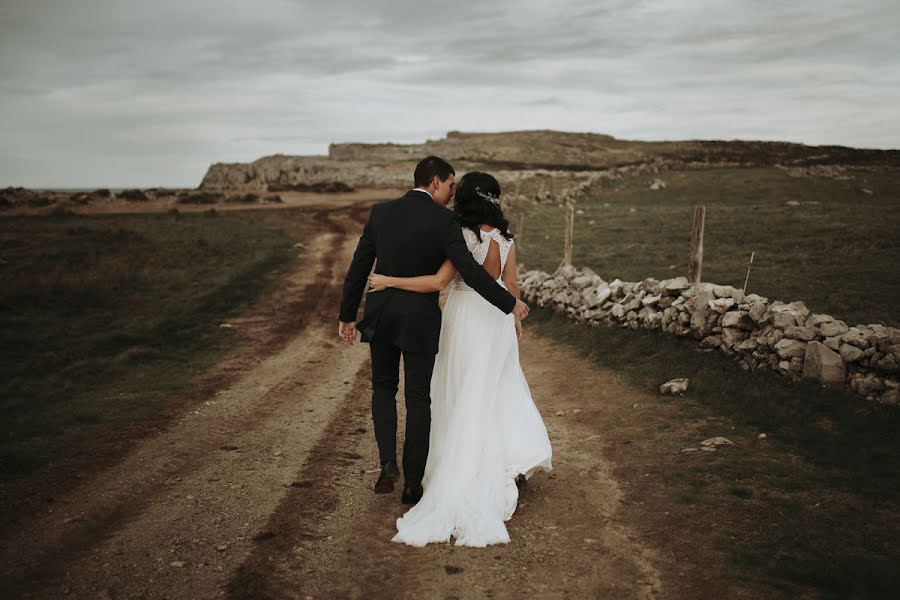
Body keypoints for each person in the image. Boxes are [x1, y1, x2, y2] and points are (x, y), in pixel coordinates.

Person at [367, 171, 553, 547]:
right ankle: (507, 460)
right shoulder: (506, 237)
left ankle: (462, 466)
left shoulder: (462, 235)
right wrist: (513, 316)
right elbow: (511, 284)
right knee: (496, 389)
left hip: (467, 317)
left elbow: (438, 282)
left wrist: (389, 281)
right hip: (497, 320)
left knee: (460, 390)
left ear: (464, 197)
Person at [338, 156, 531, 506]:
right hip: (419, 320)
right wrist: (508, 304)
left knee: (382, 387)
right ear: (436, 181)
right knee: (417, 398)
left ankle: (386, 464)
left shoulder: (381, 212)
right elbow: (470, 272)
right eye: (450, 184)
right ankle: (413, 483)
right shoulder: (446, 221)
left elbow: (360, 265)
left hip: (381, 315)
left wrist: (347, 315)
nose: (452, 192)